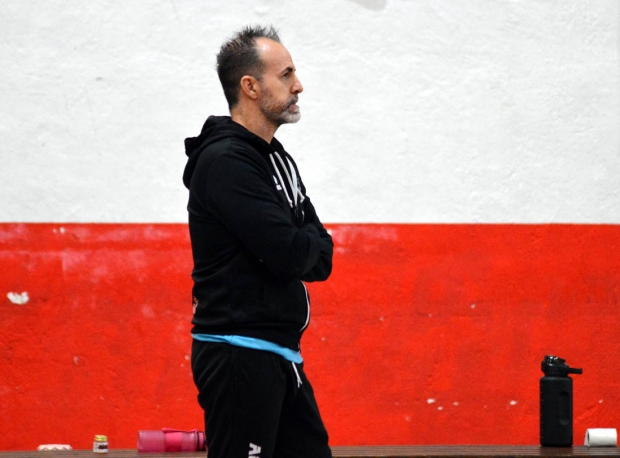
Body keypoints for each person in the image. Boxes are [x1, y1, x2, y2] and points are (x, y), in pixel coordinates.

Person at [182, 25, 334, 458]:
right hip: (238, 356)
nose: (298, 85)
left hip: (282, 356)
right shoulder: (226, 163)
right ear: (250, 86)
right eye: (285, 74)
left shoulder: (277, 159)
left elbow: (320, 257)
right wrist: (301, 243)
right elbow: (292, 253)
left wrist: (302, 244)